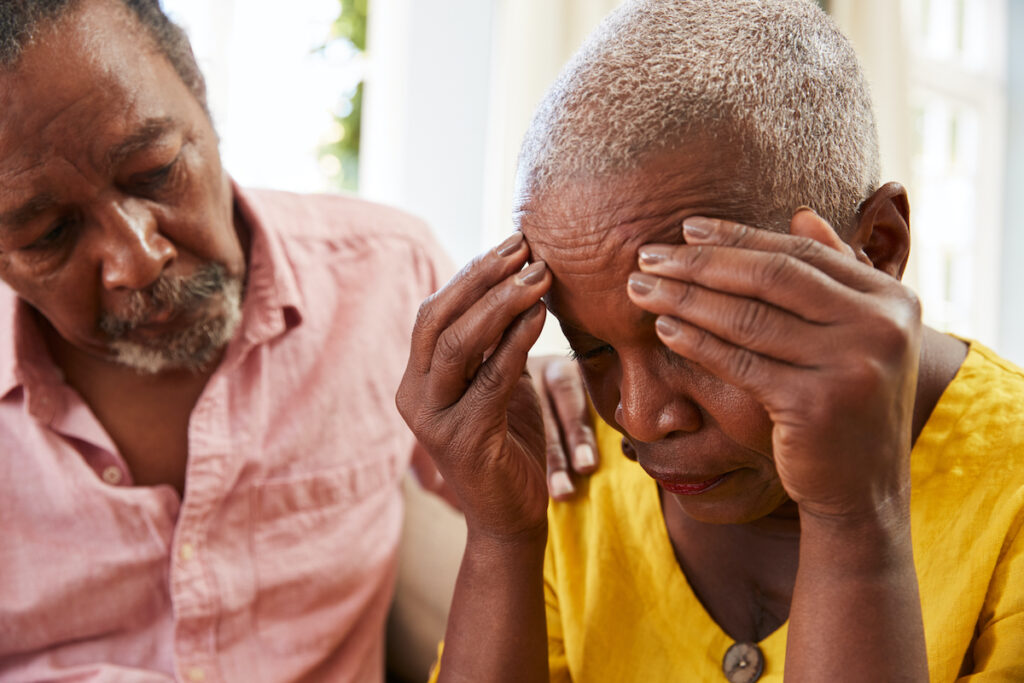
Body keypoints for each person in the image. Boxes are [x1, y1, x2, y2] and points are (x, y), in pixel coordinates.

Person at [398, 0, 1024, 681]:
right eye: (593, 350)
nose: (637, 416)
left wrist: (855, 516)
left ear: (874, 247)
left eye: (691, 336)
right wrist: (502, 540)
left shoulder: (1008, 491)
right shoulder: (569, 464)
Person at [0, 1, 594, 680]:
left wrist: (567, 389)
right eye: (48, 234)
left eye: (156, 171)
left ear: (195, 80)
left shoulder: (388, 280)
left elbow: (542, 519)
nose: (137, 259)